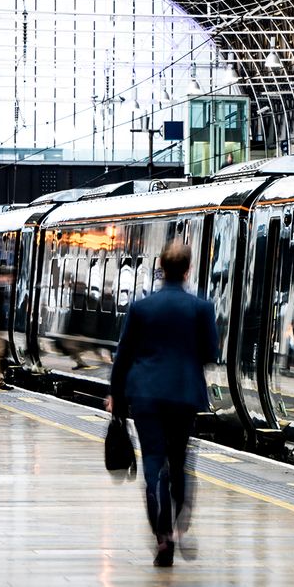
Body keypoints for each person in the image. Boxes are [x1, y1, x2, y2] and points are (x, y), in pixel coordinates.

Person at [106, 240, 218, 568]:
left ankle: (162, 538)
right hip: (184, 395)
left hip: (146, 395)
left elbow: (123, 356)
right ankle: (181, 523)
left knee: (154, 462)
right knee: (179, 460)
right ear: (187, 270)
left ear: (160, 267)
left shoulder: (142, 308)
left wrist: (117, 395)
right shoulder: (201, 308)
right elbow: (211, 355)